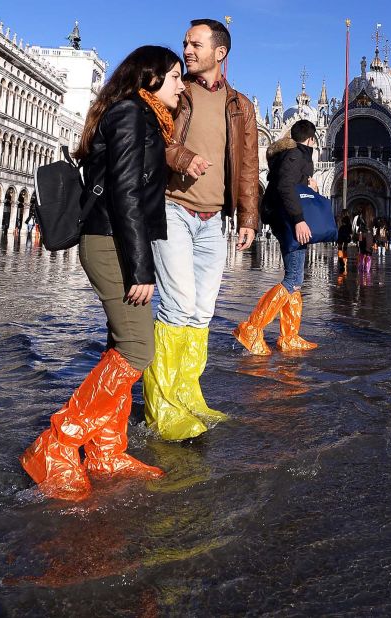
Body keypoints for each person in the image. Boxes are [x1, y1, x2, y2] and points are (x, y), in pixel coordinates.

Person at [20, 46, 184, 501]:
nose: (181, 84)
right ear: (149, 77)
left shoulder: (134, 115)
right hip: (113, 242)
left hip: (117, 239)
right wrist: (140, 266)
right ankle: (58, 443)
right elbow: (126, 192)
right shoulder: (132, 114)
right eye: (174, 75)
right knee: (137, 348)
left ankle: (107, 450)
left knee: (121, 342)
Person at [143, 18, 259, 441]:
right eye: (185, 43)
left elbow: (247, 166)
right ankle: (163, 407)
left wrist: (248, 217)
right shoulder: (176, 90)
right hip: (173, 208)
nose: (187, 50)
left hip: (214, 220)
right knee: (176, 305)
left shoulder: (241, 105)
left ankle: (189, 395)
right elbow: (151, 137)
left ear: (220, 52)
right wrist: (181, 158)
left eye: (195, 44)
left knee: (201, 310)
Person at [233, 119, 320, 355]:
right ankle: (251, 328)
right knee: (292, 279)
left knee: (296, 280)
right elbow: (284, 187)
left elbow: (290, 184)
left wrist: (308, 184)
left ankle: (289, 336)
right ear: (312, 139)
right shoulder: (296, 155)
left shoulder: (290, 155)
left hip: (286, 219)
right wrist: (299, 219)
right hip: (290, 221)